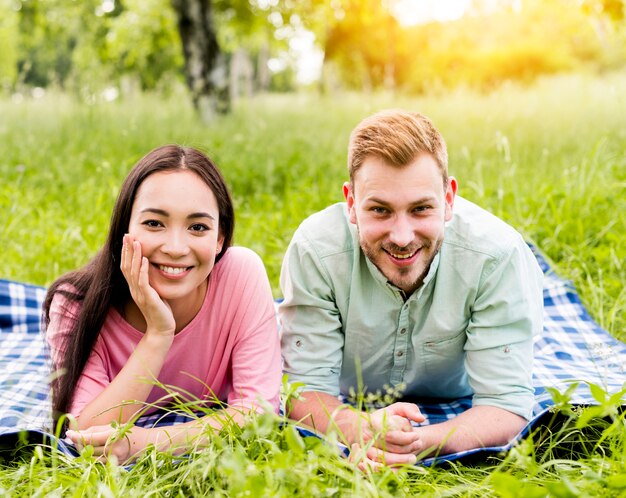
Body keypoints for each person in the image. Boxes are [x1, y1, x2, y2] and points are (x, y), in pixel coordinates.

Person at [279, 110, 543, 469]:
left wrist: (415, 444)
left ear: (449, 198)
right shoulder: (316, 250)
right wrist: (360, 428)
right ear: (351, 203)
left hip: (458, 393)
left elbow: (506, 407)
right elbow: (303, 393)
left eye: (420, 209)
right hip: (352, 397)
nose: (402, 237)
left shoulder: (497, 256)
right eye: (380, 210)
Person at [43, 145, 281, 462]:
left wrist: (145, 443)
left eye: (198, 227)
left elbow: (259, 415)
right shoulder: (77, 303)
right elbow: (85, 438)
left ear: (219, 238)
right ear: (125, 228)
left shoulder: (240, 274)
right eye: (155, 223)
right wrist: (158, 333)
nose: (175, 247)